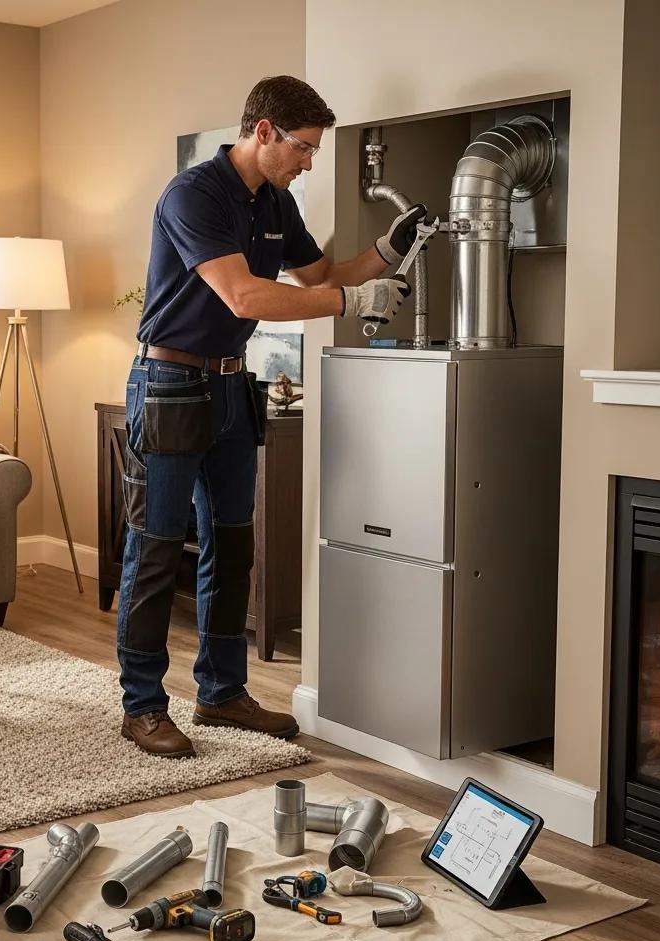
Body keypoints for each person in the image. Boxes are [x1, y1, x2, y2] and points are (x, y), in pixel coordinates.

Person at [118, 75, 428, 758]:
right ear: (264, 131)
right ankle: (141, 706)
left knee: (233, 548)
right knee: (157, 548)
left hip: (233, 388)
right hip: (170, 383)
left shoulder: (276, 203)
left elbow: (320, 277)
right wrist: (352, 304)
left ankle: (221, 692)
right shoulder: (193, 195)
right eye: (304, 147)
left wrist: (386, 251)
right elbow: (244, 296)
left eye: (315, 150)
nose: (309, 161)